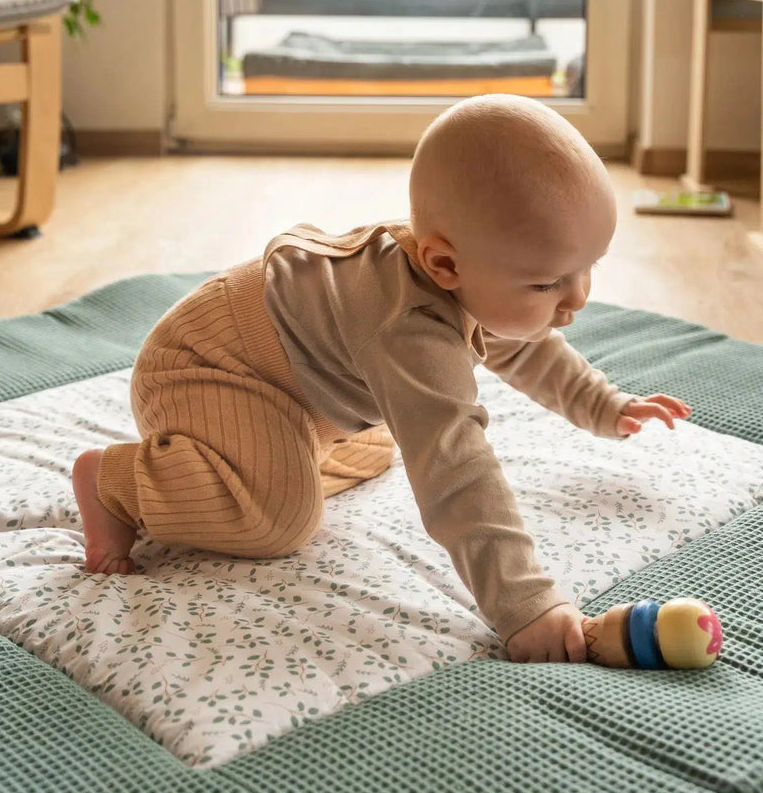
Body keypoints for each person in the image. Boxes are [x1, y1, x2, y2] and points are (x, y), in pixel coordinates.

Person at [72, 94, 691, 663]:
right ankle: (115, 481)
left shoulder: (471, 265)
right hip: (207, 370)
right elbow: (458, 473)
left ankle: (275, 458)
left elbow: (525, 345)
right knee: (280, 519)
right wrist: (525, 604)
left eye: (588, 267)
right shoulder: (409, 327)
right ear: (442, 263)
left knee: (387, 444)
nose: (577, 297)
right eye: (547, 282)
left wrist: (603, 404)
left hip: (298, 394)